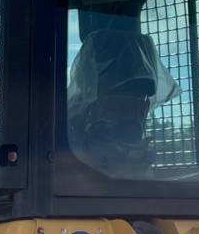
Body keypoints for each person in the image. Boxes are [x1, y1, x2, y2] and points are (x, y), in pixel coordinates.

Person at [65, 28, 179, 169]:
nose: (131, 115)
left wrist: (135, 161)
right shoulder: (65, 130)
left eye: (139, 104)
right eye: (118, 106)